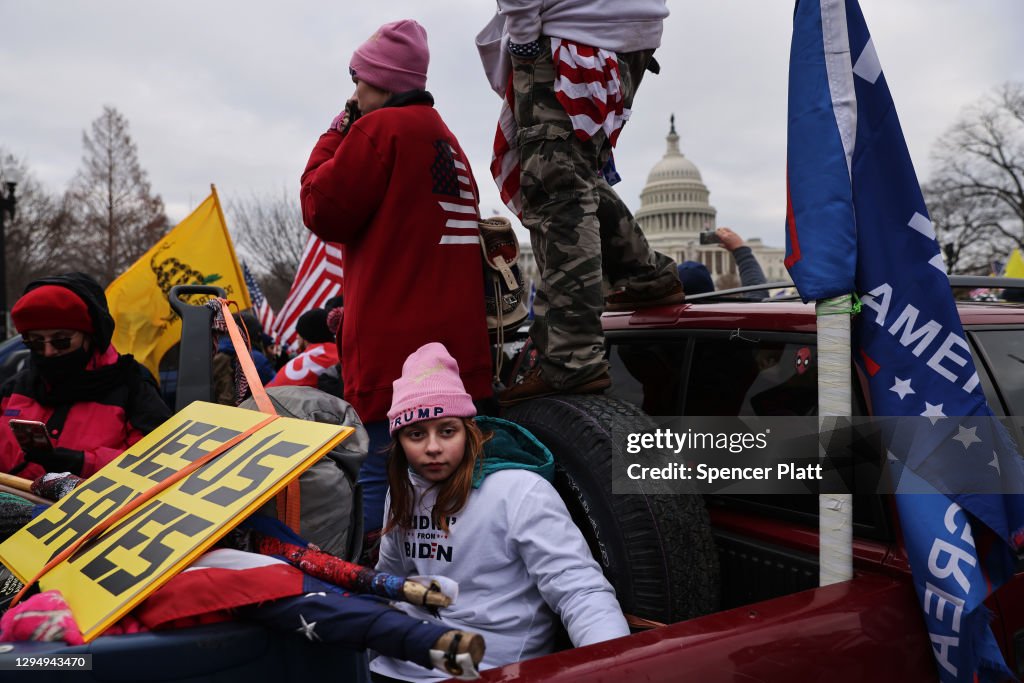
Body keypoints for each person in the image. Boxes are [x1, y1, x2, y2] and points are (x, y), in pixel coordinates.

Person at [299, 20, 493, 536]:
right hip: (456, 356)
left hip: (396, 361)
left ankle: (378, 593)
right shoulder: (446, 139)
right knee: (454, 496)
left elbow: (320, 206)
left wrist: (337, 130)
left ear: (381, 82)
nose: (354, 93)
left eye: (358, 80)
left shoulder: (378, 129)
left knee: (381, 484)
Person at [373, 343, 629, 681]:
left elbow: (579, 590)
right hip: (398, 658)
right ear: (399, 440)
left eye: (447, 431)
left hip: (487, 667)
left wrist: (615, 668)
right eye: (416, 434)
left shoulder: (520, 490)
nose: (433, 447)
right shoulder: (403, 489)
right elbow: (389, 580)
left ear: (469, 429)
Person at [478, 2, 683, 407]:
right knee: (572, 174)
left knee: (556, 187)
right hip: (625, 36)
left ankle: (572, 358)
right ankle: (647, 276)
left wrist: (521, 43)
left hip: (569, 37)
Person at [0, 273, 171, 479]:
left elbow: (160, 461)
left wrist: (83, 463)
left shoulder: (132, 385)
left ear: (90, 336)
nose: (48, 352)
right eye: (35, 342)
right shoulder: (15, 387)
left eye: (61, 340)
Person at [268, 307, 339, 389]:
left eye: (299, 333)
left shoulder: (313, 359)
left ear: (307, 337)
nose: (297, 337)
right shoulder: (340, 354)